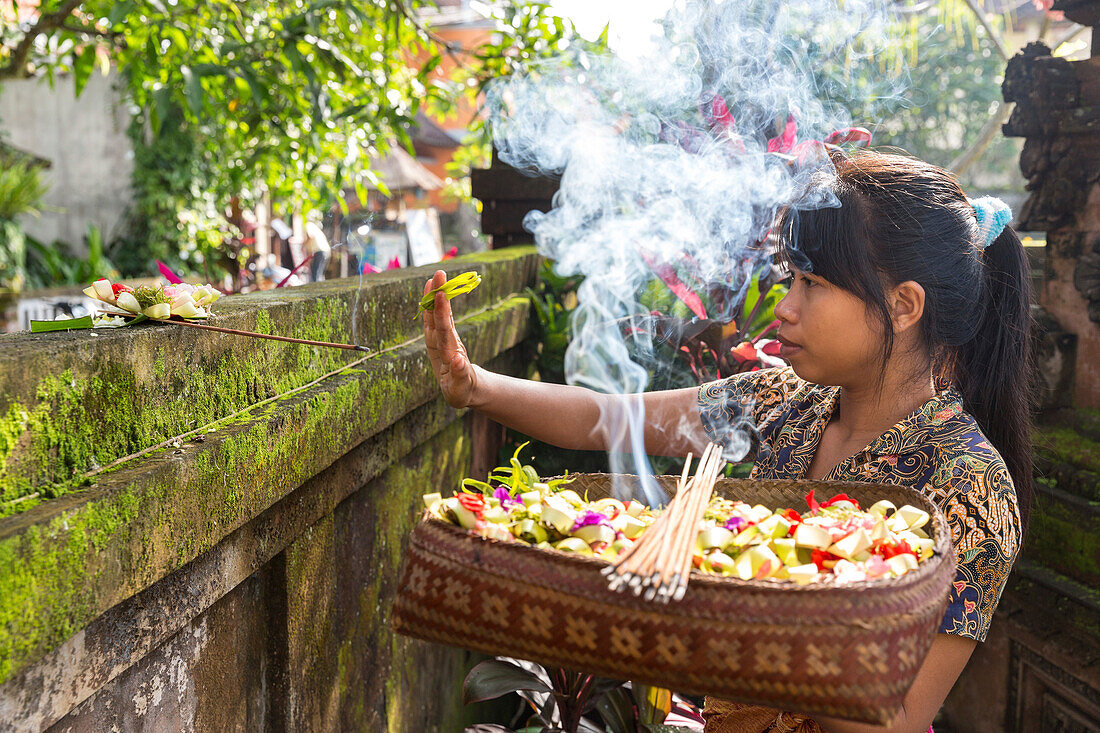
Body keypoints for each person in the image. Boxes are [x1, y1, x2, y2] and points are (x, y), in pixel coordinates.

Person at [421, 151, 1032, 733]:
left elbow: (893, 721)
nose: (785, 309)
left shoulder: (968, 486)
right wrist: (475, 386)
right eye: (789, 279)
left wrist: (745, 616)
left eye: (812, 284)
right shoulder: (780, 406)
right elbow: (605, 420)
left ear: (903, 306)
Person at [302, 211, 331, 282]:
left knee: (315, 273)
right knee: (319, 273)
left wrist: (305, 246)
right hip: (326, 251)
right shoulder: (316, 227)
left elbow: (310, 237)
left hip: (319, 251)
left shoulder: (308, 225)